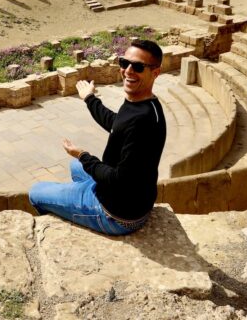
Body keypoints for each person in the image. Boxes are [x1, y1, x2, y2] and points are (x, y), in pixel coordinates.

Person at [28, 39, 167, 235]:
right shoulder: (147, 104)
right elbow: (117, 123)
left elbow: (118, 180)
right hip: (135, 198)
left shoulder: (141, 121)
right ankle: (73, 198)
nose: (128, 71)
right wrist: (90, 99)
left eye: (138, 66)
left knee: (36, 192)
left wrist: (83, 154)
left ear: (155, 72)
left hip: (116, 213)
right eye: (124, 63)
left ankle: (59, 223)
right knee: (75, 167)